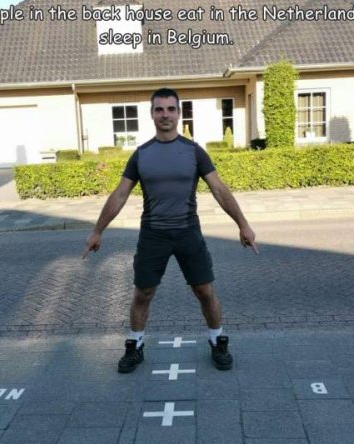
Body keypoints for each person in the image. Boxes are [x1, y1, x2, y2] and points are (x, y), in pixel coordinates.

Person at [82, 88, 258, 373]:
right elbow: (120, 194)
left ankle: (217, 341)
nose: (165, 115)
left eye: (171, 109)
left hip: (188, 232)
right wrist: (97, 231)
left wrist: (243, 224)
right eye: (159, 109)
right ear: (152, 114)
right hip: (153, 234)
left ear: (179, 113)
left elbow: (219, 189)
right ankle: (135, 345)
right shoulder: (141, 155)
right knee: (143, 293)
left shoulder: (194, 151)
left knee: (204, 290)